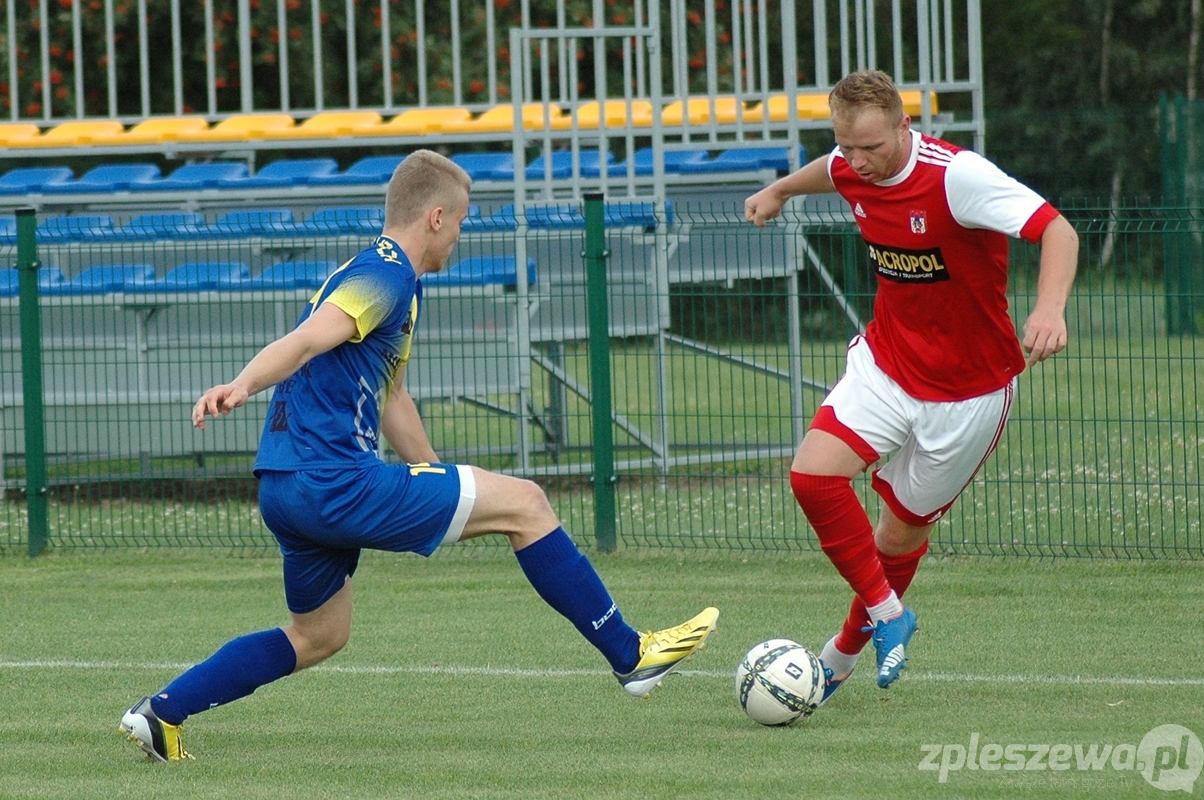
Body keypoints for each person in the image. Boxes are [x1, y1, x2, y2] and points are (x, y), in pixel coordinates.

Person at [120, 149, 718, 762]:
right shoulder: (385, 274)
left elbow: (393, 398)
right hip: (332, 482)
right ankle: (630, 655)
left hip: (286, 486)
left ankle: (162, 713)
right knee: (528, 504)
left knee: (319, 635)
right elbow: (304, 342)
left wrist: (438, 480)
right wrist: (241, 384)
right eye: (460, 221)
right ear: (436, 217)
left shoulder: (390, 281)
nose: (459, 235)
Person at [744, 71, 1078, 702]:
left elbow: (1057, 230)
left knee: (898, 537)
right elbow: (830, 170)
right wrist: (780, 189)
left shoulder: (957, 177)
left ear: (905, 126)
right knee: (812, 477)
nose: (858, 162)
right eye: (847, 146)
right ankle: (889, 614)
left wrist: (1049, 308)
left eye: (872, 147)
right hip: (888, 365)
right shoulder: (851, 164)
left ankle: (841, 655)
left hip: (968, 394)